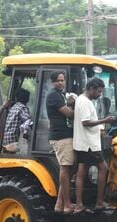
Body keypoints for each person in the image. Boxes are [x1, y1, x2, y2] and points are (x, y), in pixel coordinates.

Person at [73, 77, 117, 212]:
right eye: (98, 91)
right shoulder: (85, 102)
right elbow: (86, 122)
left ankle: (79, 204)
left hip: (81, 143)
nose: (99, 95)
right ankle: (99, 202)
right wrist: (105, 120)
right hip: (89, 144)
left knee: (81, 172)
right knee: (103, 168)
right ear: (91, 89)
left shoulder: (80, 99)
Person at [46, 71, 75, 214]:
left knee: (69, 169)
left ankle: (59, 203)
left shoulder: (61, 95)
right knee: (65, 168)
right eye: (58, 80)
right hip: (61, 137)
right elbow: (69, 114)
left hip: (65, 135)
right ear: (53, 82)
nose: (61, 83)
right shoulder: (54, 96)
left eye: (63, 80)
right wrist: (78, 107)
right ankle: (67, 204)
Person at [2, 88, 32, 153]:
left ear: (16, 98)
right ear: (27, 99)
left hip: (6, 139)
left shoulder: (13, 107)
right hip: (14, 141)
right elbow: (28, 122)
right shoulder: (22, 108)